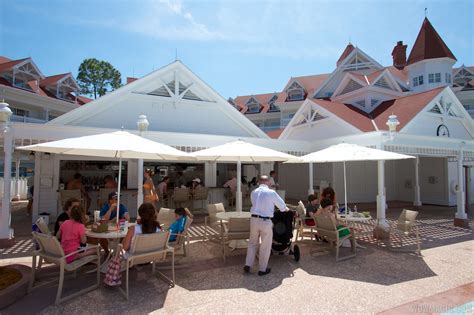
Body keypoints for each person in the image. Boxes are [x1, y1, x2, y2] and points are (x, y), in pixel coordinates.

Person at [244, 175, 289, 276]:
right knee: (265, 245)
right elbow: (282, 206)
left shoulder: (254, 192)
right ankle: (262, 269)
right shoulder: (271, 192)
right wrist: (286, 209)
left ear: (259, 182)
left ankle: (248, 264)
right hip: (265, 221)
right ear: (268, 182)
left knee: (252, 243)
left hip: (254, 219)